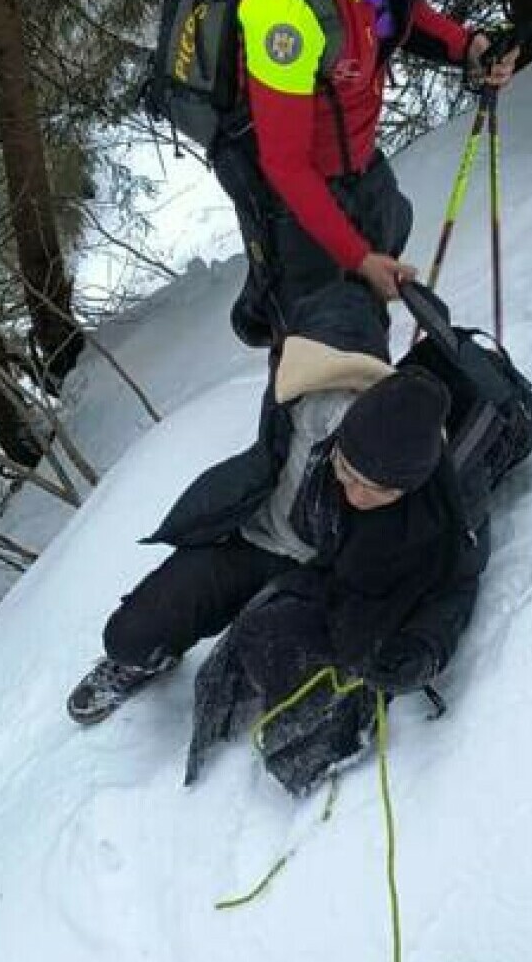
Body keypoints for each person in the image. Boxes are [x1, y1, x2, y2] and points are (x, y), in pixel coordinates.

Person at [66, 304, 487, 797]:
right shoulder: (316, 409)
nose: (355, 493)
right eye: (347, 472)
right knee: (130, 634)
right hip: (254, 539)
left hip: (315, 576)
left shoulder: (431, 499)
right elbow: (326, 321)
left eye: (376, 492)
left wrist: (425, 648)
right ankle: (143, 660)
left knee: (284, 647)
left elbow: (456, 580)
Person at [216, 0, 518, 349]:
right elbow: (286, 164)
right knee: (316, 351)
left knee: (380, 260)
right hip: (291, 195)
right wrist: (357, 258)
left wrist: (466, 46)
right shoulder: (281, 7)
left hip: (358, 162)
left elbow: (397, 8)